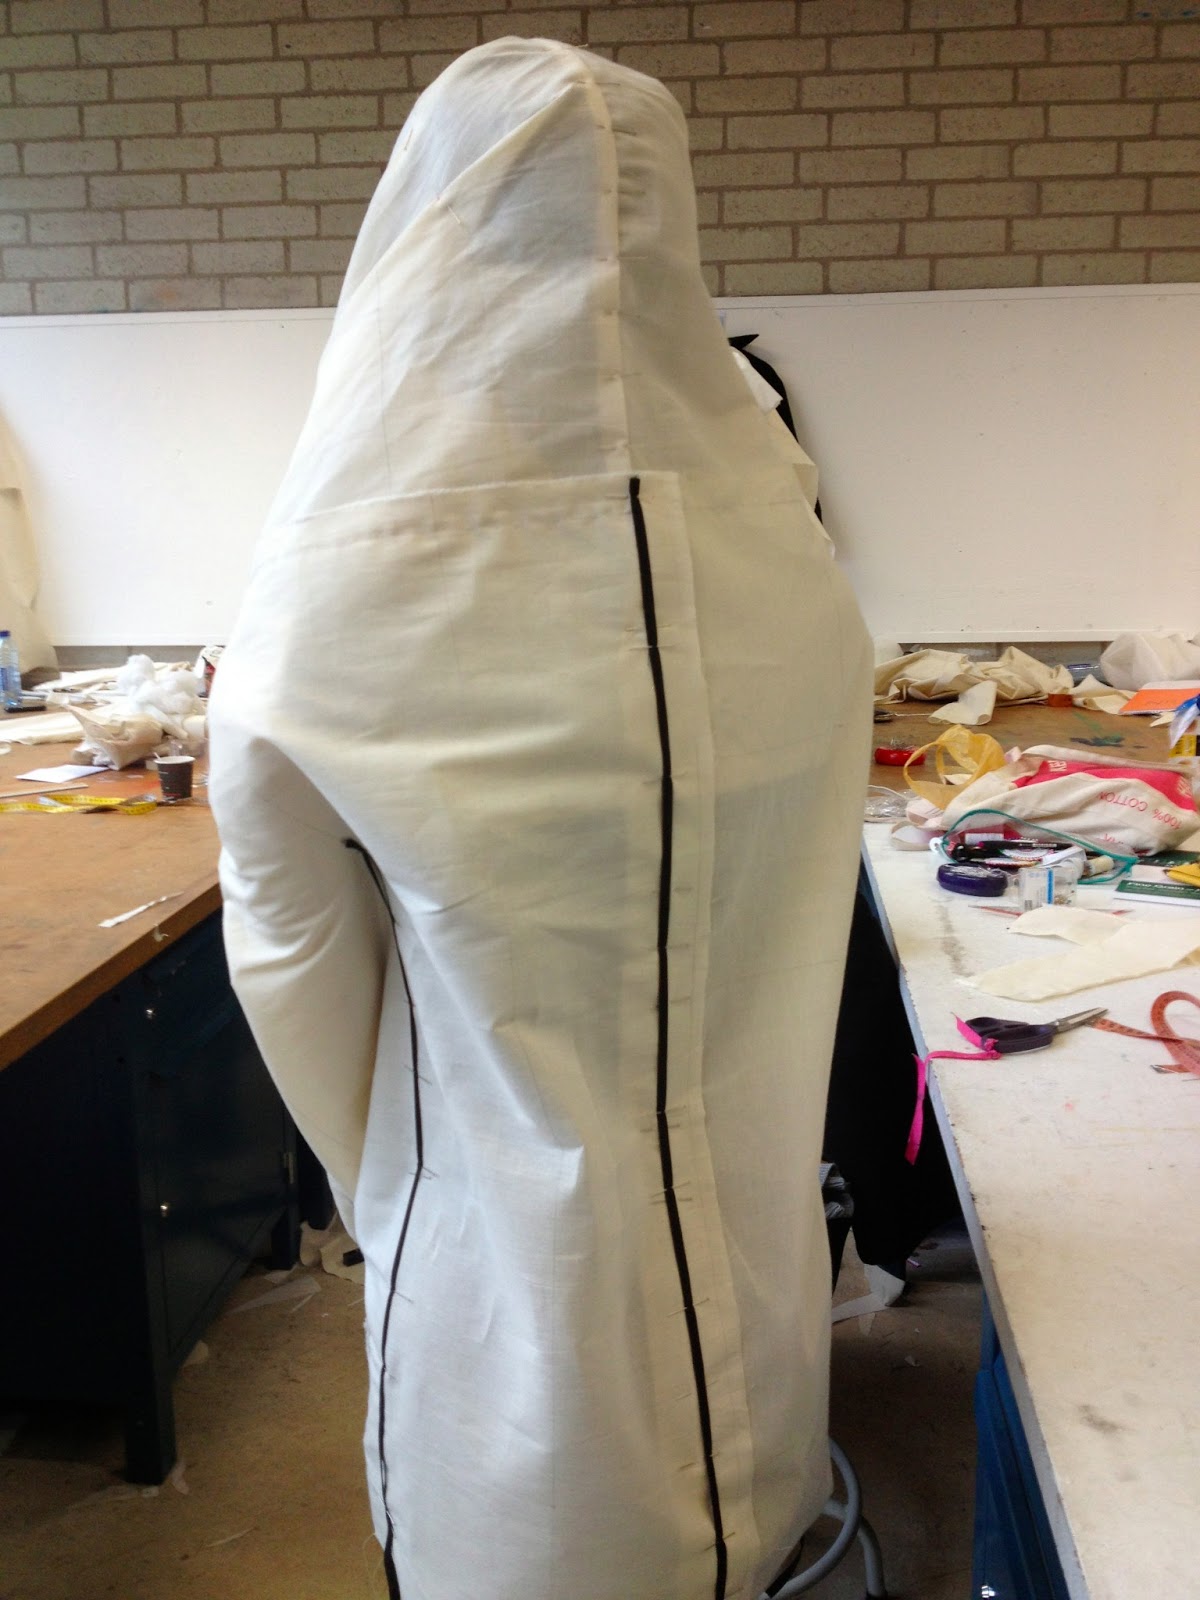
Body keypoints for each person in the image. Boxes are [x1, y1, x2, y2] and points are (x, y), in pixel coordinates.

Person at [208, 37, 871, 1600]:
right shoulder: (784, 548)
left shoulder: (341, 578)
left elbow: (290, 950)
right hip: (758, 1281)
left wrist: (399, 1182)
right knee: (747, 1505)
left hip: (496, 1313)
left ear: (428, 220)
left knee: (522, 1528)